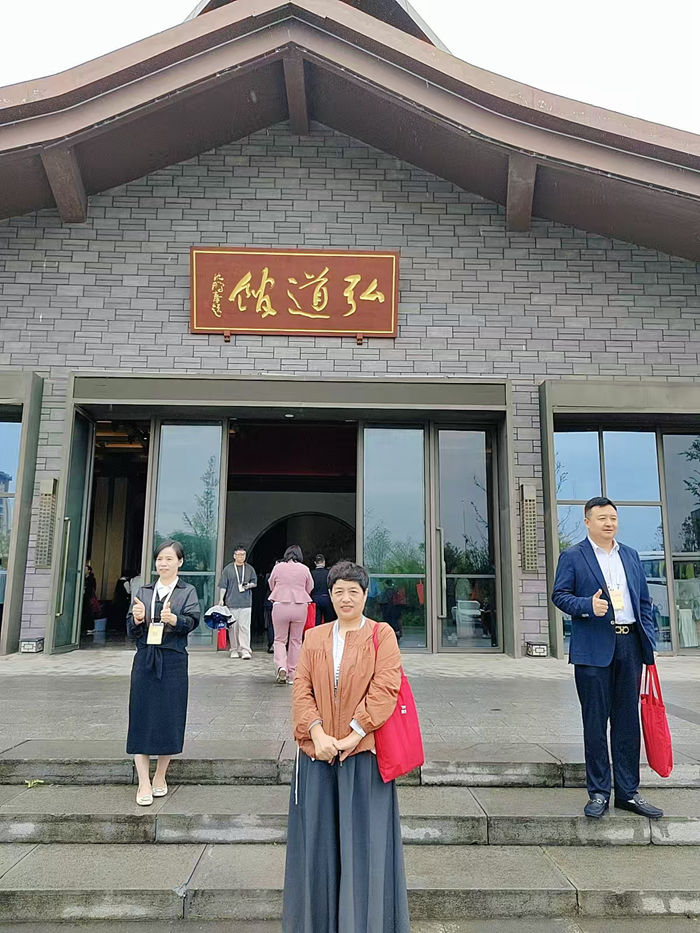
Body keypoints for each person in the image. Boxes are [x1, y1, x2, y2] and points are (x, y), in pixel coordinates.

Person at [283, 560, 410, 932]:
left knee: (363, 846)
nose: (346, 598)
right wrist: (317, 734)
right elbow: (302, 689)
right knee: (318, 846)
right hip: (317, 755)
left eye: (354, 591)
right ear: (330, 595)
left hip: (363, 756)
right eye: (338, 591)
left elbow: (386, 689)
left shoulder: (382, 635)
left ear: (366, 595)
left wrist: (355, 734)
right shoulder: (315, 637)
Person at [551, 497, 663, 820]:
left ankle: (628, 793)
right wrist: (587, 605)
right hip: (593, 649)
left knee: (627, 722)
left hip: (630, 646)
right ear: (588, 522)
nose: (609, 523)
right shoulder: (573, 556)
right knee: (596, 722)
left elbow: (643, 602)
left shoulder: (630, 555)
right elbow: (560, 595)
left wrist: (648, 642)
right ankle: (599, 792)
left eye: (613, 517)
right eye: (602, 518)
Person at [126, 539, 201, 806]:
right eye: (160, 559)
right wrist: (137, 619)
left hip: (173, 659)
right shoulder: (144, 591)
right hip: (145, 658)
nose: (163, 564)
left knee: (170, 716)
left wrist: (175, 620)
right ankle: (143, 781)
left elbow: (193, 620)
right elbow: (131, 628)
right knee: (141, 715)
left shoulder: (187, 591)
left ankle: (160, 775)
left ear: (180, 562)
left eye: (169, 559)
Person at [268, 545, 313, 685]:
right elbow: (310, 587)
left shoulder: (278, 567)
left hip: (280, 604)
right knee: (296, 640)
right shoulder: (305, 569)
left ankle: (281, 666)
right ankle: (293, 673)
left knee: (279, 640)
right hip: (300, 605)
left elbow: (271, 584)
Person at [218, 545, 257, 660]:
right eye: (239, 555)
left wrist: (248, 585)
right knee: (233, 627)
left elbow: (254, 582)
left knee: (244, 627)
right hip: (232, 602)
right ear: (234, 556)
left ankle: (245, 649)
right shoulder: (228, 569)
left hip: (246, 602)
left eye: (243, 555)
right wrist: (221, 599)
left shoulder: (249, 569)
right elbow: (223, 585)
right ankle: (234, 649)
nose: (241, 557)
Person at [311, 553, 336, 625]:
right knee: (329, 621)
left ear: (315, 563)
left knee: (316, 622)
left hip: (315, 598)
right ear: (324, 562)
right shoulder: (329, 573)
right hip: (326, 598)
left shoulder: (311, 573)